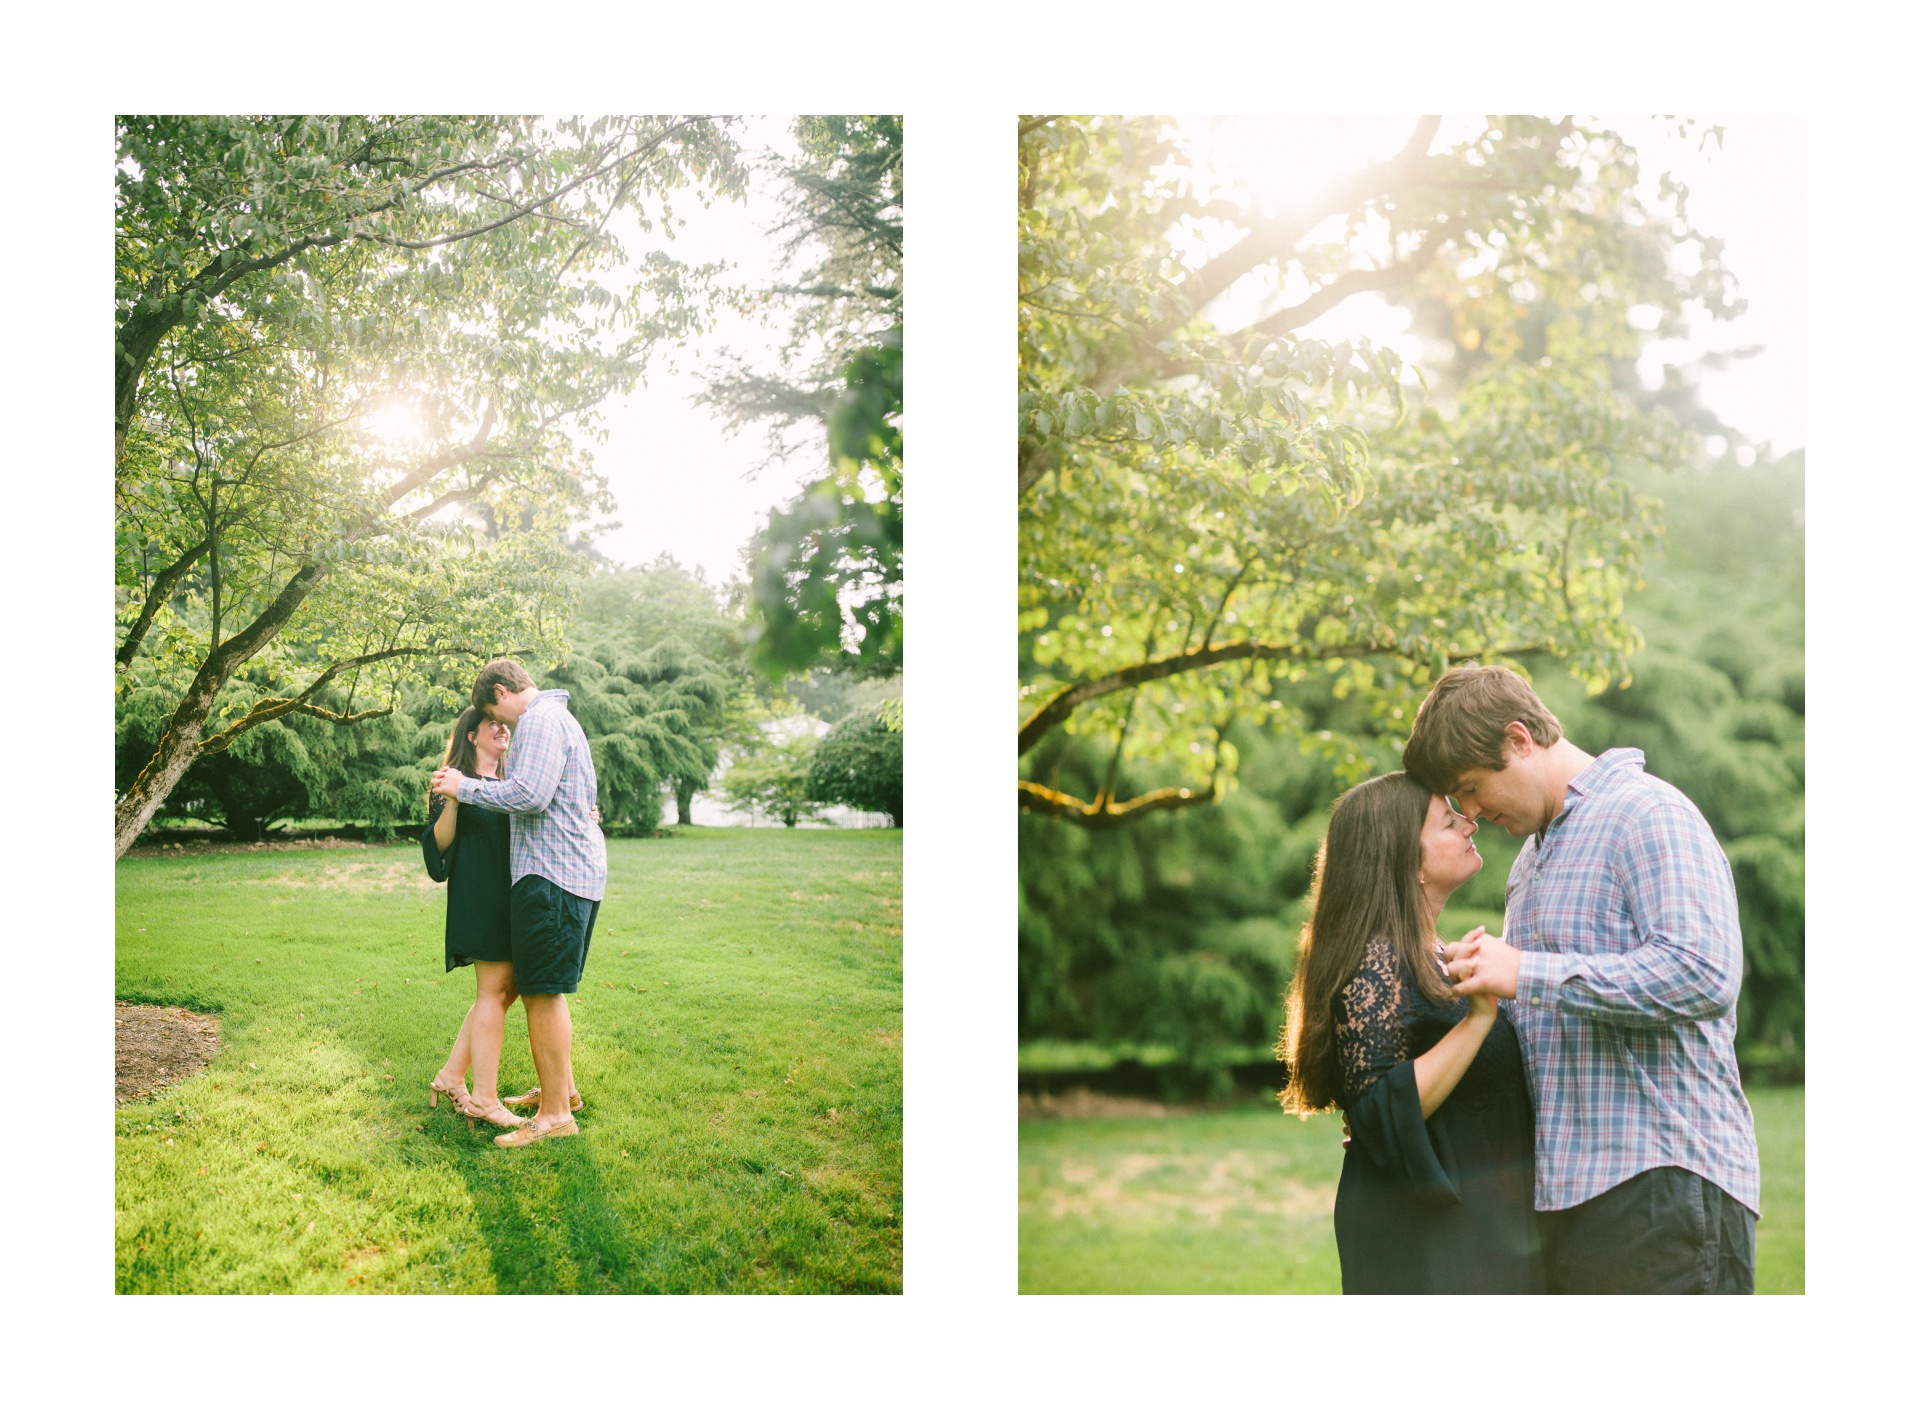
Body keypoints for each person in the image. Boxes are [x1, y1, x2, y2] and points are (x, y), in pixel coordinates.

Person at [1403, 663, 1760, 1295]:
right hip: (1567, 1199)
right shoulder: (1532, 861)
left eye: (1473, 788)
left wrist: (1528, 971)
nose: (1475, 813)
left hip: (1663, 1185)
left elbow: (1704, 972)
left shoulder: (1646, 811)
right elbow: (1545, 1013)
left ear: (1518, 740)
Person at [1280, 772, 1545, 1294]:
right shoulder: (1375, 959)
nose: (1470, 823)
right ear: (1409, 863)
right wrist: (1479, 1019)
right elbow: (1378, 1107)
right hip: (1425, 1238)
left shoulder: (1423, 956)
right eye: (1449, 821)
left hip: (1476, 1225)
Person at [432, 659, 606, 1149]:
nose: (501, 726)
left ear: (504, 692)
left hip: (553, 875)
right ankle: (562, 1093)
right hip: (568, 871)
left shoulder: (540, 722)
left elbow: (530, 794)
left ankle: (554, 1116)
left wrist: (463, 787)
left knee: (542, 992)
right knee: (542, 988)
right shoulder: (559, 720)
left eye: (496, 714)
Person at [421, 707, 527, 1132]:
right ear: (471, 736)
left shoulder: (512, 784)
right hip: (478, 894)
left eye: (505, 724)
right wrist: (452, 799)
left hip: (513, 897)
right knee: (493, 992)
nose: (503, 729)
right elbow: (438, 848)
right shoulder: (450, 779)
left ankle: (450, 1076)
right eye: (493, 724)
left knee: (505, 991)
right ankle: (484, 1098)